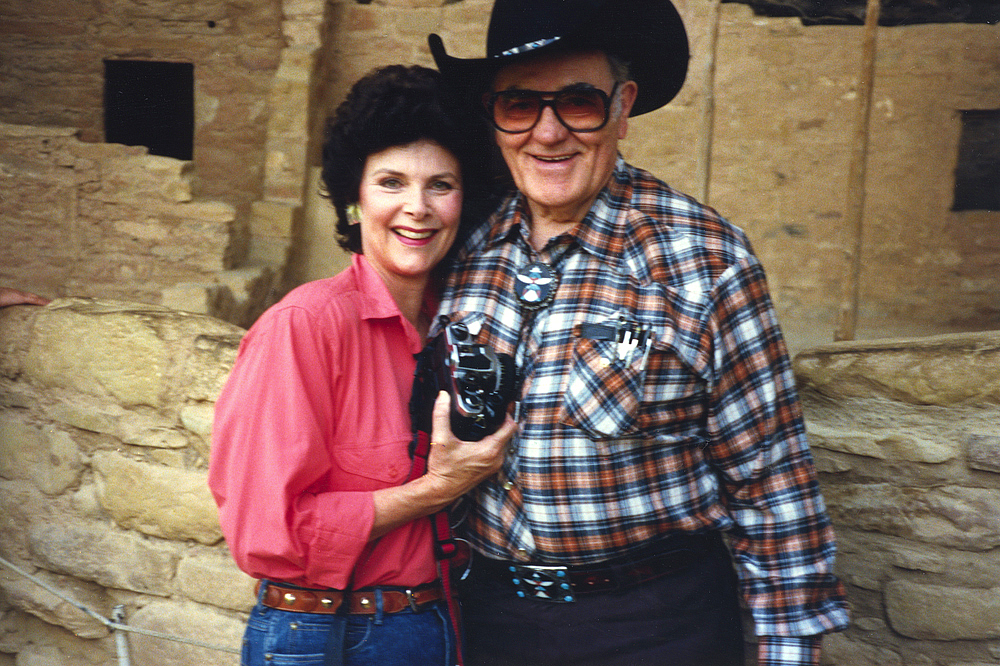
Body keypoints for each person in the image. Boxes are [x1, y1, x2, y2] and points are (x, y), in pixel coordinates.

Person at [426, 1, 850, 665]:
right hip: (488, 623)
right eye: (519, 105)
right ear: (493, 113)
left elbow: (771, 481)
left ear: (622, 107)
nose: (548, 131)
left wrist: (790, 646)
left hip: (653, 627)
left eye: (578, 101)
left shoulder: (702, 259)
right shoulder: (465, 253)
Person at [208, 65, 516, 666]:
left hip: (438, 621)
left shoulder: (455, 328)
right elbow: (270, 528)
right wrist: (437, 489)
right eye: (392, 182)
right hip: (326, 637)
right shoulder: (304, 326)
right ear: (355, 195)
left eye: (440, 185)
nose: (417, 208)